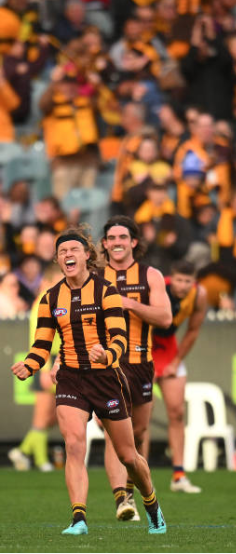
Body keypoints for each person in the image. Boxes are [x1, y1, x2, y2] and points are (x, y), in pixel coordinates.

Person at [11, 226, 166, 536]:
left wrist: (107, 355)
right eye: (62, 252)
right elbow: (43, 344)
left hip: (106, 378)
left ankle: (152, 506)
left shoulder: (106, 291)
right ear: (57, 259)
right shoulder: (50, 298)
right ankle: (79, 518)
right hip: (70, 377)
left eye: (74, 250)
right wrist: (30, 364)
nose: (68, 255)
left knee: (128, 455)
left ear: (87, 256)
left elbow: (120, 339)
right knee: (73, 444)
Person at [98, 215, 172, 522]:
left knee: (138, 432)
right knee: (113, 433)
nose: (116, 242)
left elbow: (165, 318)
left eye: (122, 237)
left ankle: (129, 490)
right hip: (105, 363)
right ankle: (121, 498)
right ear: (104, 244)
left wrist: (130, 305)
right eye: (111, 238)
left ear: (133, 242)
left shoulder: (150, 274)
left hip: (141, 362)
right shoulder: (95, 277)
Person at [152, 260, 208, 493]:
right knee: (140, 418)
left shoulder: (199, 295)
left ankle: (179, 475)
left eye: (188, 281)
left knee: (177, 412)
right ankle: (136, 478)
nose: (183, 286)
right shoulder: (156, 287)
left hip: (169, 350)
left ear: (193, 281)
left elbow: (193, 330)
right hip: (145, 347)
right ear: (170, 277)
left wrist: (175, 361)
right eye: (179, 280)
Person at [8, 263, 63, 472]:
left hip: (58, 360)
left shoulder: (57, 300)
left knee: (53, 415)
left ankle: (23, 451)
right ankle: (40, 460)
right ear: (46, 282)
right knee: (42, 417)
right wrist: (43, 368)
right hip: (46, 360)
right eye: (57, 281)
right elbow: (37, 338)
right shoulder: (43, 302)